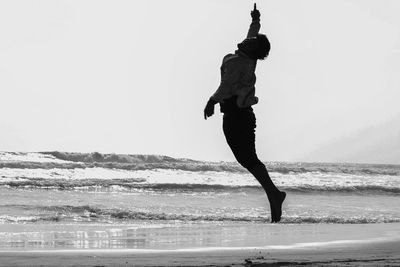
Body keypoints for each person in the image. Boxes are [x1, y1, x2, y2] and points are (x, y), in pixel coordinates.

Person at [203, 4, 286, 223]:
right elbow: (252, 36)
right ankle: (273, 195)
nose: (248, 40)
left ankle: (274, 195)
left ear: (252, 52)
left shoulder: (241, 62)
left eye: (252, 43)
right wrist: (256, 20)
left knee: (247, 159)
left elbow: (227, 87)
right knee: (247, 159)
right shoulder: (245, 55)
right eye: (251, 39)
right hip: (239, 116)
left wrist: (211, 101)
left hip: (238, 116)